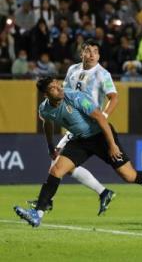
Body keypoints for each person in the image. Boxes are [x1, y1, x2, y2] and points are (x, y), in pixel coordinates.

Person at [14, 78, 142, 227]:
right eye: (53, 88)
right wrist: (50, 146)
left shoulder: (75, 97)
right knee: (56, 170)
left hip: (101, 136)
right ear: (45, 94)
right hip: (80, 141)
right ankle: (38, 214)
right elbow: (47, 123)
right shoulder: (44, 109)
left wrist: (112, 145)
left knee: (129, 176)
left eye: (58, 84)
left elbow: (101, 118)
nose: (59, 88)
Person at [28, 40, 117, 215]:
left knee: (58, 164)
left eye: (95, 51)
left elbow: (113, 97)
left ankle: (47, 201)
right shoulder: (72, 70)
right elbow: (63, 93)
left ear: (98, 55)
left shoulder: (102, 74)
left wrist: (104, 117)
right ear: (81, 53)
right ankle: (102, 192)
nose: (91, 54)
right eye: (87, 51)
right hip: (74, 123)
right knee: (58, 163)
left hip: (90, 123)